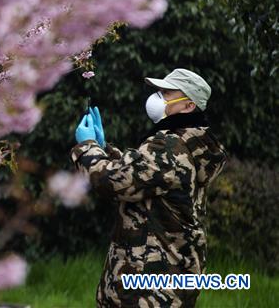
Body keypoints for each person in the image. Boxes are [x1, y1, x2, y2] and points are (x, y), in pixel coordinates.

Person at [70, 68, 228, 307]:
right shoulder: (189, 143)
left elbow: (111, 182)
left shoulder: (169, 146)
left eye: (166, 93)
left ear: (188, 106)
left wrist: (87, 147)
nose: (157, 98)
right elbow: (146, 178)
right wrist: (106, 150)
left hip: (148, 288)